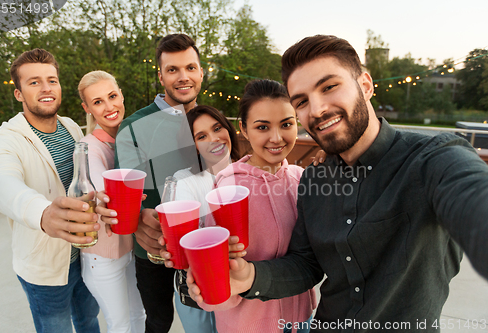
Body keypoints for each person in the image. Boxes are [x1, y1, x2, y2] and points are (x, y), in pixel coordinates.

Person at [188, 35, 488, 332]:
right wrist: (248, 277)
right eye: (302, 101)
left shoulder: (431, 159)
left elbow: (470, 195)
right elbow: (305, 265)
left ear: (366, 85)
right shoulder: (314, 179)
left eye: (329, 87)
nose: (317, 110)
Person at [0, 49, 100, 333]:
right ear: (18, 94)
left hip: (85, 256)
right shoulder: (4, 140)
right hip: (44, 271)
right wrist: (42, 213)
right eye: (34, 82)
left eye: (52, 79)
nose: (46, 87)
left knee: (89, 321)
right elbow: (1, 184)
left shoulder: (72, 127)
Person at [195, 80, 316, 333]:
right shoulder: (229, 187)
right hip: (249, 325)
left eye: (286, 124)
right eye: (262, 127)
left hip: (301, 321)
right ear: (244, 129)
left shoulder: (301, 178)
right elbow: (215, 273)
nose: (276, 138)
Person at [112, 33, 204, 333]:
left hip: (206, 243)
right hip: (153, 248)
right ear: (161, 76)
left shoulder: (211, 123)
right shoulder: (133, 127)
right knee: (159, 321)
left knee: (213, 317)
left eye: (190, 68)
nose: (183, 77)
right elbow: (127, 193)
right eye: (173, 70)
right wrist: (138, 219)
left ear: (201, 72)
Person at [77, 70, 146, 333]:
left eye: (112, 96)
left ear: (121, 95)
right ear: (87, 108)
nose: (109, 107)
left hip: (130, 249)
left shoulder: (130, 140)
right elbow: (105, 192)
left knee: (139, 315)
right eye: (97, 102)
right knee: (120, 325)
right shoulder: (88, 147)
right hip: (103, 257)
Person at [167, 105, 241, 333]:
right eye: (201, 136)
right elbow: (185, 241)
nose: (214, 139)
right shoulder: (185, 180)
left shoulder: (248, 171)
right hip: (199, 290)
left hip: (241, 286)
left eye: (217, 128)